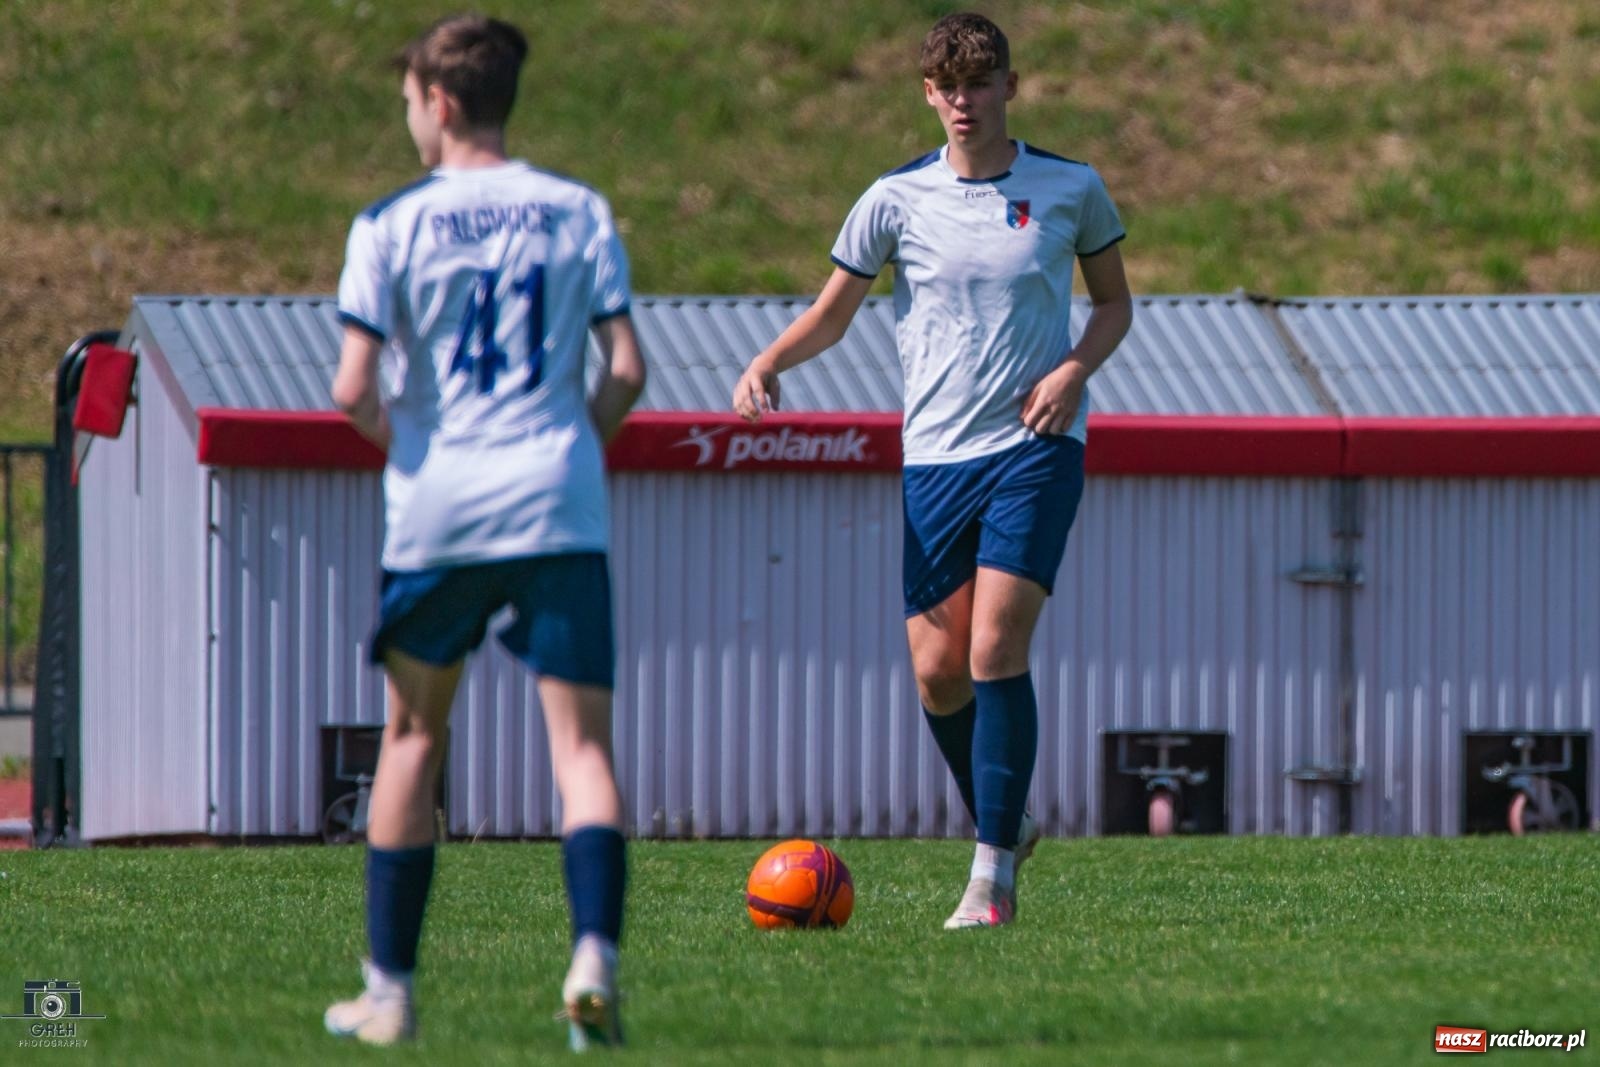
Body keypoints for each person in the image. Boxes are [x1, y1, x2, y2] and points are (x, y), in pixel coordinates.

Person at [732, 11, 1132, 930]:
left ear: (1009, 88)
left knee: (995, 648)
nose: (964, 102)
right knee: (938, 674)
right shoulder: (894, 198)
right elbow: (834, 313)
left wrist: (1073, 369)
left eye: (980, 83)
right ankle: (1009, 817)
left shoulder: (1069, 187)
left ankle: (990, 878)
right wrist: (769, 361)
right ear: (927, 94)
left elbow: (1112, 305)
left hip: (1033, 448)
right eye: (947, 87)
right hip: (934, 459)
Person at [322, 14, 645, 1048]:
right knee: (582, 748)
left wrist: (408, 451)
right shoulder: (578, 208)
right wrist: (572, 452)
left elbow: (350, 390)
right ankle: (593, 953)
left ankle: (390, 992)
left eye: (409, 99)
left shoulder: (390, 222)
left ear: (441, 100)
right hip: (555, 495)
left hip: (441, 503)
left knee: (414, 736)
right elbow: (628, 369)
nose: (407, 116)